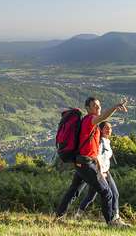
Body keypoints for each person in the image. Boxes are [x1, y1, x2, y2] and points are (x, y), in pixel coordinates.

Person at [55, 97, 129, 227]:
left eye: (99, 105)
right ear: (88, 109)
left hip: (82, 162)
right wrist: (115, 107)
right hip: (86, 163)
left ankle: (59, 216)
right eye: (95, 106)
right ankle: (111, 222)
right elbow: (104, 117)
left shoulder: (87, 121)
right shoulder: (90, 120)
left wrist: (98, 164)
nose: (98, 108)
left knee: (73, 191)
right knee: (106, 192)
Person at [74, 121, 126, 224]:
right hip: (100, 172)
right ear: (101, 130)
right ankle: (114, 218)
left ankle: (78, 214)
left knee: (93, 195)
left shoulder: (107, 141)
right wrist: (100, 172)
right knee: (111, 194)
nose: (109, 130)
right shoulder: (100, 141)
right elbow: (96, 156)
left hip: (106, 171)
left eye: (110, 128)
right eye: (106, 128)